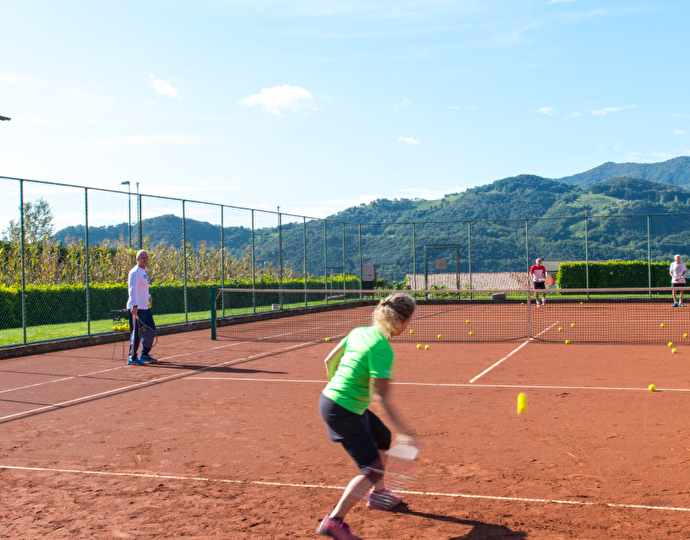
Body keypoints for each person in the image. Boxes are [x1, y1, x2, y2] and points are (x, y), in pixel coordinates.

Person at [317, 292, 418, 540]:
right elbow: (382, 397)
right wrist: (406, 433)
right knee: (371, 469)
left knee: (382, 437)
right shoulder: (382, 347)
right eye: (409, 322)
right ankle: (334, 521)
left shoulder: (359, 331)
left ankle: (379, 495)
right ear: (400, 322)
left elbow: (329, 360)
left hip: (335, 401)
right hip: (344, 410)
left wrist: (338, 389)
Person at [126, 249, 157, 365]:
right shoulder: (135, 272)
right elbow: (132, 289)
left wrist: (149, 296)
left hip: (145, 307)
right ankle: (132, 357)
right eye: (143, 257)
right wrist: (134, 305)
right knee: (137, 333)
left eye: (147, 257)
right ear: (137, 259)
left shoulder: (143, 272)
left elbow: (143, 288)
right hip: (137, 308)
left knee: (151, 330)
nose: (145, 259)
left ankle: (144, 354)